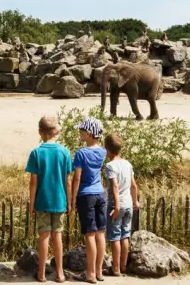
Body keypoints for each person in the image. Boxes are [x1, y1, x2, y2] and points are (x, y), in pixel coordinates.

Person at [25, 117, 73, 283]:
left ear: (40, 133)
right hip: (60, 200)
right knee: (57, 236)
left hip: (42, 201)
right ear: (56, 132)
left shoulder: (36, 153)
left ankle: (42, 273)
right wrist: (69, 201)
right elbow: (68, 180)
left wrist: (32, 202)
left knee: (43, 236)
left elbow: (33, 181)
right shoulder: (64, 152)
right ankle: (60, 273)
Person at [71, 117, 107, 284]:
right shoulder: (103, 151)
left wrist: (72, 198)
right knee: (101, 233)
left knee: (89, 234)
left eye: (82, 131)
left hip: (86, 195)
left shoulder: (81, 153)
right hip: (100, 192)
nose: (80, 133)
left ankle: (90, 273)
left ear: (90, 134)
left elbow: (77, 178)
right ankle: (99, 271)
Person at [103, 133, 139, 276]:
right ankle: (123, 266)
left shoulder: (110, 166)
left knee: (114, 237)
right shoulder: (127, 164)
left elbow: (114, 186)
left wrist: (116, 206)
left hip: (116, 205)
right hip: (129, 204)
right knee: (125, 235)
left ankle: (116, 268)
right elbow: (133, 185)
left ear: (107, 150)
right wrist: (135, 200)